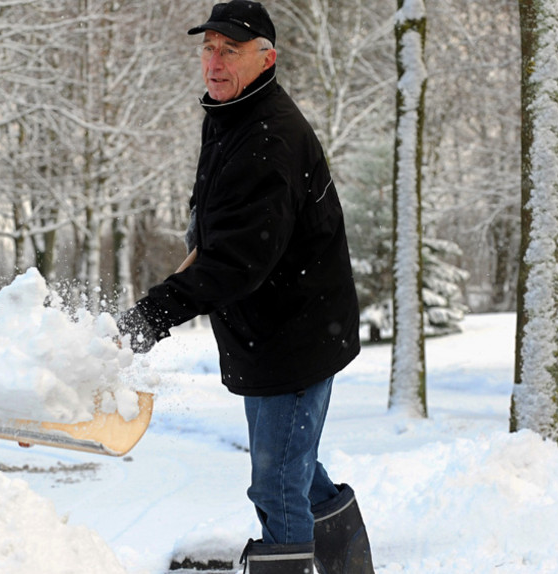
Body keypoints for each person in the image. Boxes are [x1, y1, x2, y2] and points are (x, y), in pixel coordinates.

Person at [117, 1, 374, 572]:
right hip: (272, 331)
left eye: (230, 50)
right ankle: (350, 565)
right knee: (292, 469)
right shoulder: (233, 117)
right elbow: (219, 234)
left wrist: (149, 317)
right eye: (208, 47)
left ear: (267, 59)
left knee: (277, 485)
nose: (214, 60)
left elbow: (237, 261)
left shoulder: (268, 139)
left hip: (293, 337)